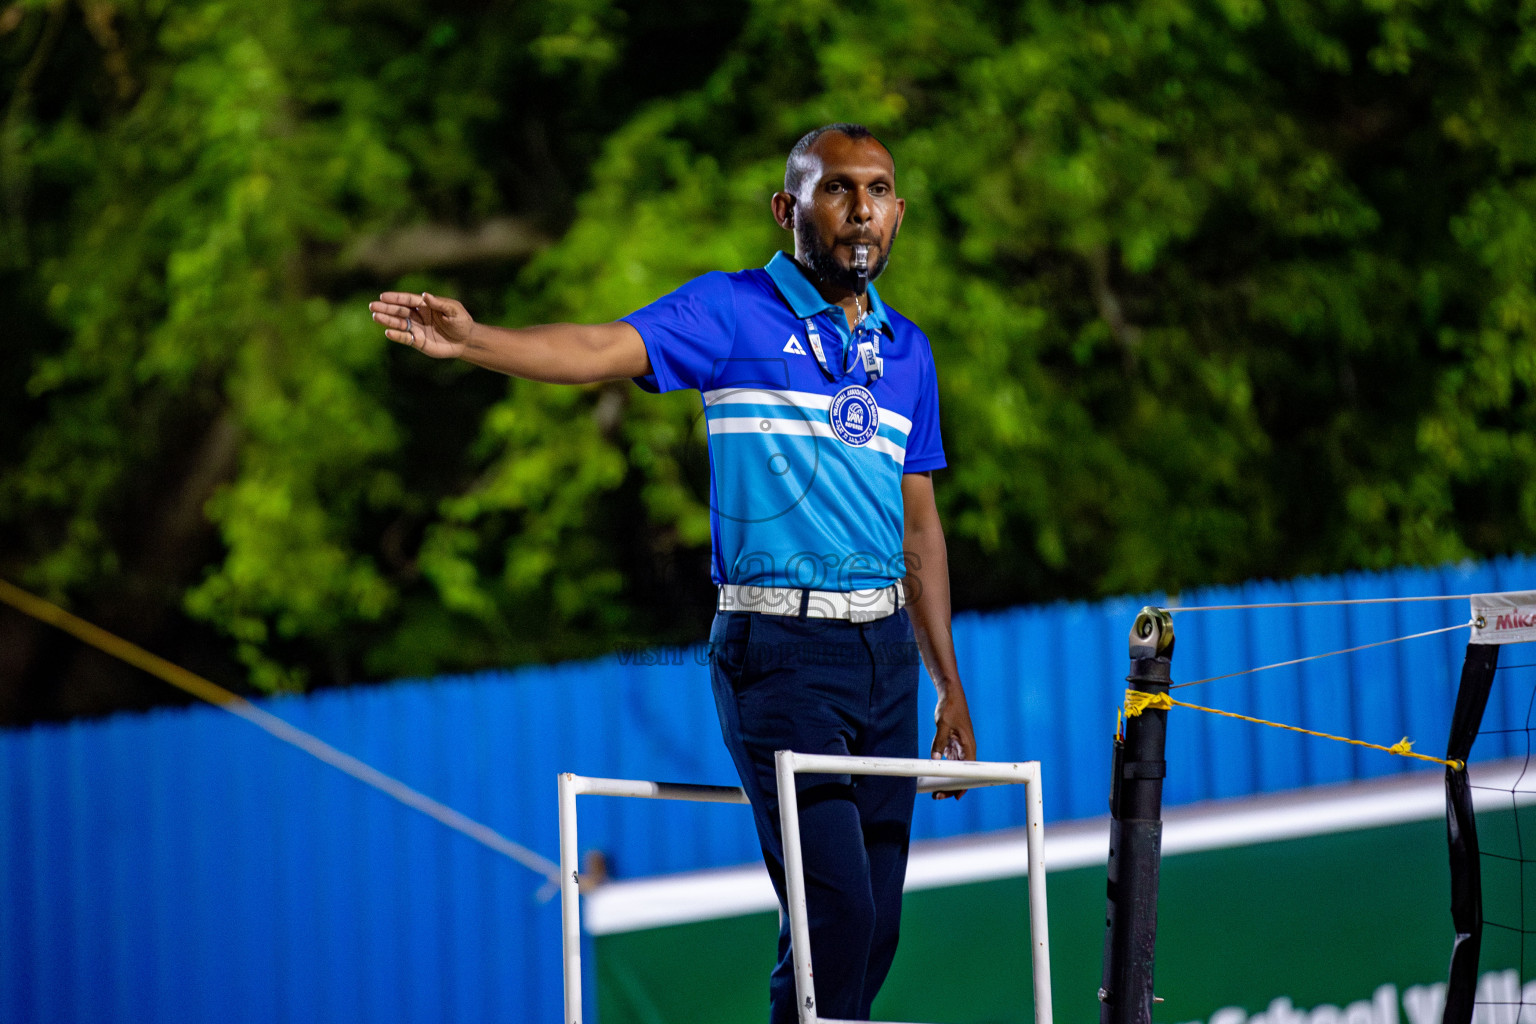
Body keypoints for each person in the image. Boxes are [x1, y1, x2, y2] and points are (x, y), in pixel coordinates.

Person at [368, 122, 976, 1024]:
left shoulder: (909, 351)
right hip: (781, 653)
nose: (862, 209)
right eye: (838, 189)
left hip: (886, 657)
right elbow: (591, 350)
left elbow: (918, 521)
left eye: (880, 190)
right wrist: (478, 341)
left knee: (874, 930)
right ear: (788, 209)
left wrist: (945, 682)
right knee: (835, 917)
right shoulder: (732, 312)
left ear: (899, 213)